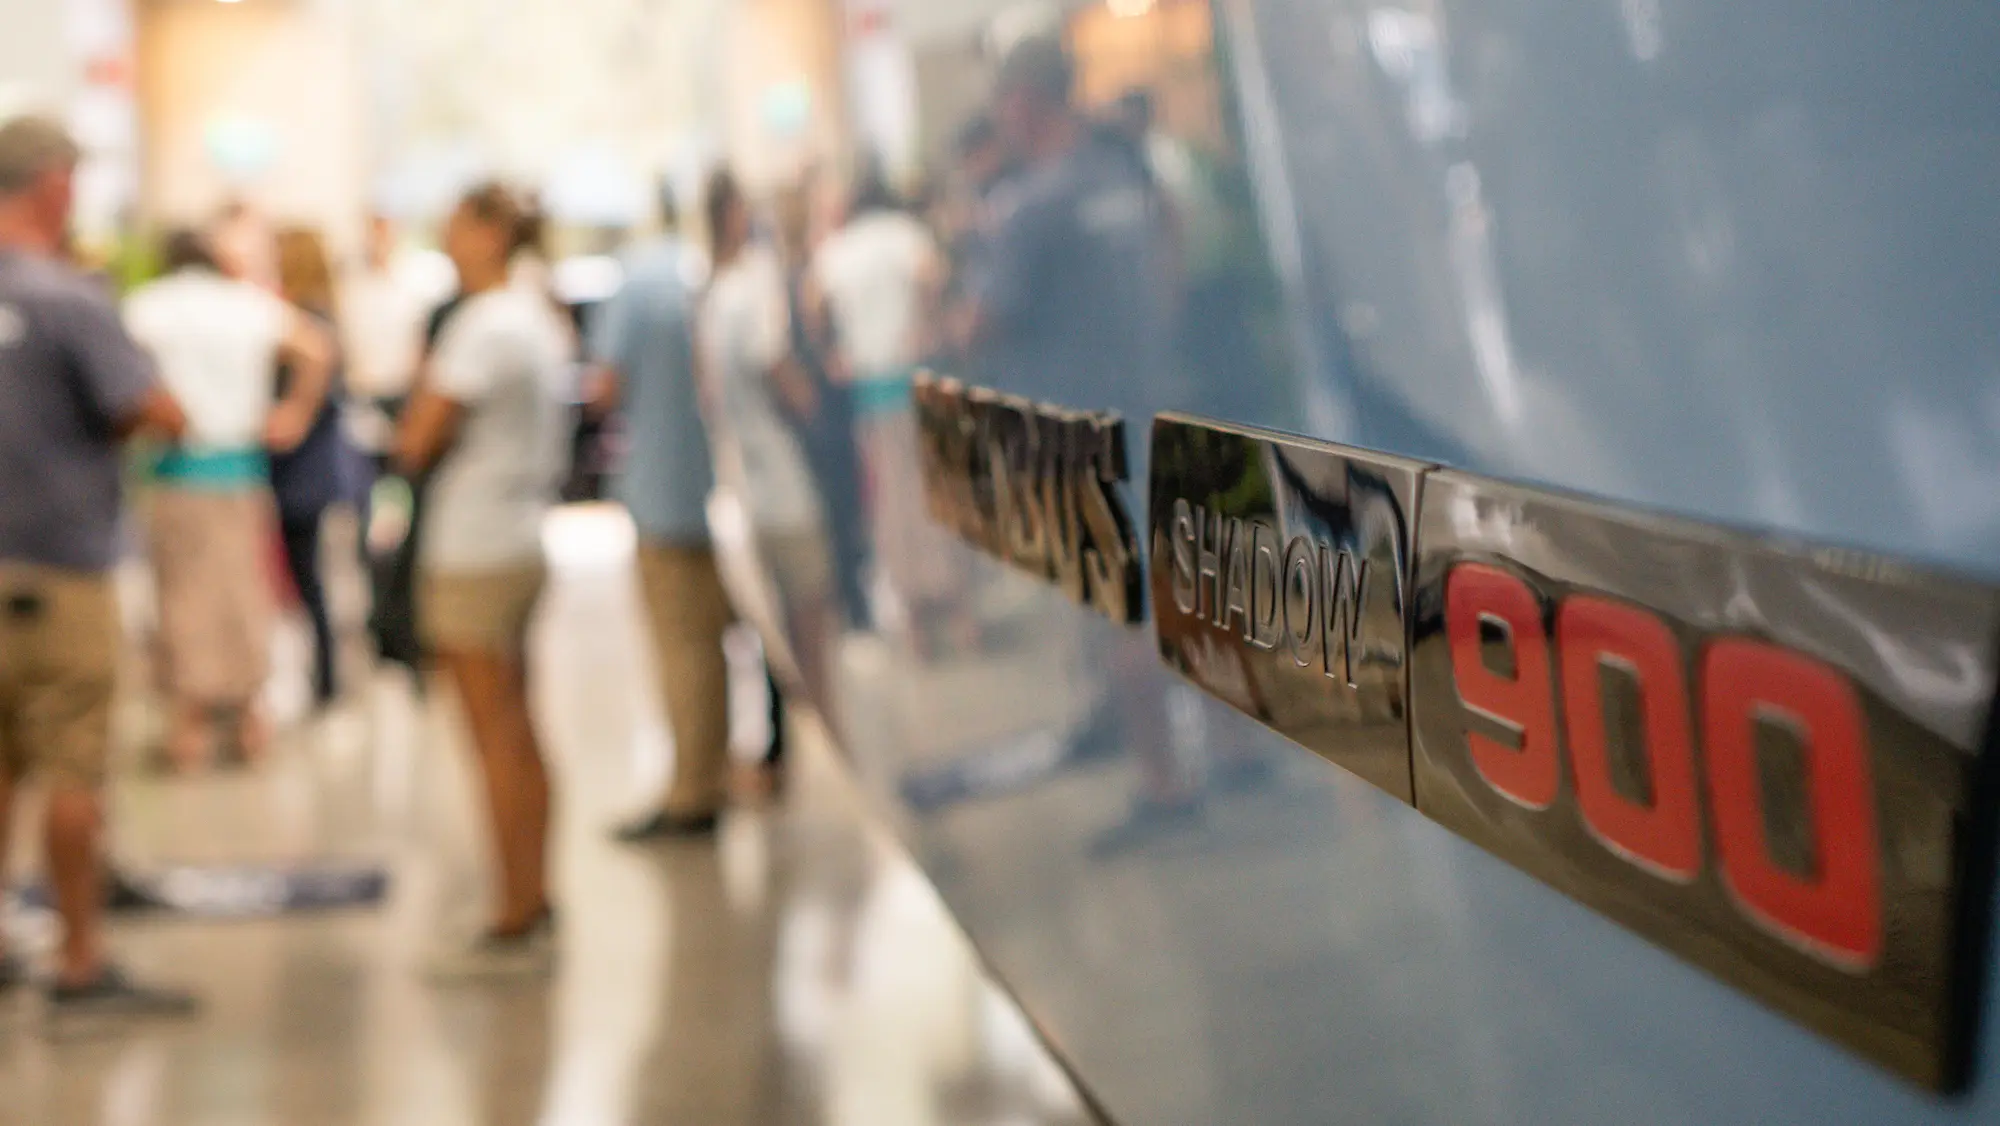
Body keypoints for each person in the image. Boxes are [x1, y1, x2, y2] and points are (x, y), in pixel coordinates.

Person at [0, 112, 198, 1020]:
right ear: (55, 187)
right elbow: (155, 409)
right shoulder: (69, 300)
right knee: (72, 766)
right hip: (59, 570)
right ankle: (81, 961)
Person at [396, 182, 568, 977]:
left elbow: (418, 438)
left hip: (473, 545)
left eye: (460, 220)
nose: (446, 232)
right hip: (521, 534)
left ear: (492, 232)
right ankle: (533, 891)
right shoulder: (535, 316)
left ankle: (512, 910)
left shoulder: (479, 325)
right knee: (521, 729)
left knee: (491, 734)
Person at [124, 225, 333, 770]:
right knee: (244, 593)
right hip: (240, 471)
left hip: (180, 468)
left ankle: (190, 723)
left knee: (183, 597)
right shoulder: (247, 306)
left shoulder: (151, 308)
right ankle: (247, 717)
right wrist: (294, 414)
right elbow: (316, 348)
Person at [584, 182, 735, 840]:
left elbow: (604, 386)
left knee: (683, 648)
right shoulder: (702, 275)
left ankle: (693, 790)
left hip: (661, 489)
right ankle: (714, 771)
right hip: (719, 486)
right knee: (715, 644)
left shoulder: (635, 284)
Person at [696, 171, 836, 721]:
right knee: (808, 629)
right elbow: (776, 365)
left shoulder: (715, 291)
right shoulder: (747, 287)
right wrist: (818, 412)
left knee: (786, 632)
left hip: (750, 485)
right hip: (779, 483)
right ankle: (829, 732)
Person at [811, 164, 963, 650]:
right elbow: (933, 275)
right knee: (938, 491)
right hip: (915, 375)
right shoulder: (904, 235)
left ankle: (916, 616)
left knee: (891, 502)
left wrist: (833, 352)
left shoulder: (839, 250)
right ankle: (957, 614)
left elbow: (812, 300)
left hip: (871, 386)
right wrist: (925, 323)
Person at [271, 227, 354, 709]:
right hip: (311, 465)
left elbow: (319, 381)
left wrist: (292, 415)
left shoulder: (305, 323)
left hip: (303, 468)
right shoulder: (317, 315)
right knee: (308, 575)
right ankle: (322, 676)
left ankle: (325, 679)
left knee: (309, 576)